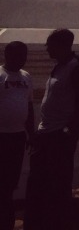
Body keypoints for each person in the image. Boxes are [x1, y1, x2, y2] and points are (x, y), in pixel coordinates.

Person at [24, 30, 79, 230]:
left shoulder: (77, 67)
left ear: (62, 45)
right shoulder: (58, 67)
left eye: (49, 45)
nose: (46, 49)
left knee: (57, 183)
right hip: (45, 133)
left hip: (60, 135)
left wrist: (71, 129)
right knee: (38, 182)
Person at [0, 42, 34, 230]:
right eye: (18, 55)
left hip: (17, 137)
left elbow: (28, 106)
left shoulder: (26, 77)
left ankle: (6, 220)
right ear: (6, 54)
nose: (22, 59)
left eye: (24, 55)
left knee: (10, 182)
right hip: (0, 136)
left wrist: (31, 133)